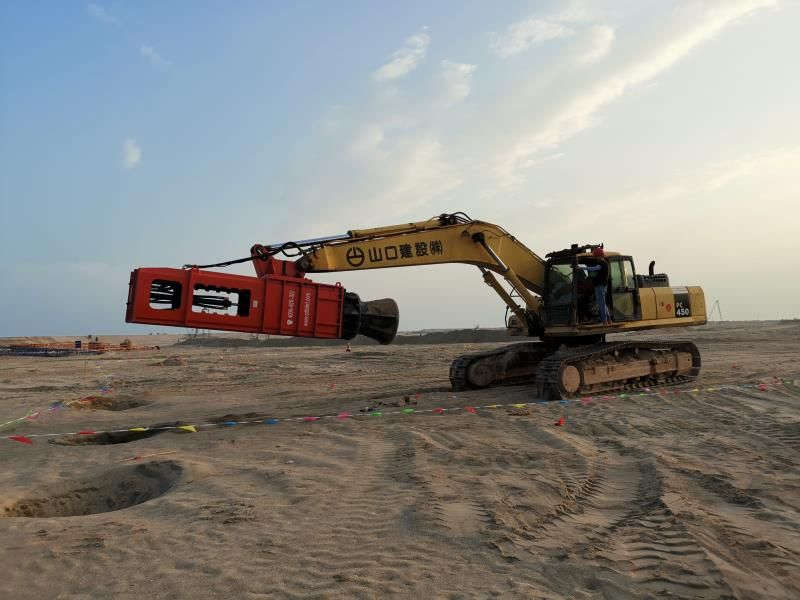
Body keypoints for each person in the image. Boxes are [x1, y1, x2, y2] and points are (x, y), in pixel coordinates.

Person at [579, 249, 611, 325]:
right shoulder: (604, 263)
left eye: (596, 256)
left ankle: (605, 322)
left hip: (600, 286)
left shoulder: (602, 263)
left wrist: (581, 268)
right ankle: (608, 320)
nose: (595, 258)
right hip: (601, 286)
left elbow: (593, 269)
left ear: (599, 256)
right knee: (603, 304)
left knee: (601, 304)